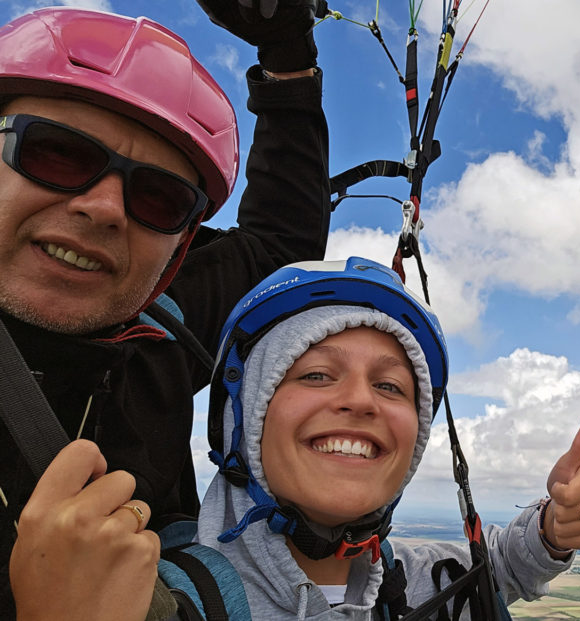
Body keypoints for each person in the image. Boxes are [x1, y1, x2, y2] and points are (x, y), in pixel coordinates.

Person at [1, 2, 332, 618]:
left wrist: (288, 62)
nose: (104, 208)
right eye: (56, 154)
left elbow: (282, 248)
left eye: (157, 196)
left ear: (179, 248)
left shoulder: (158, 324)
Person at [195, 257, 580, 618]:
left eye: (390, 386)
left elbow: (500, 566)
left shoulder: (423, 585)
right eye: (316, 375)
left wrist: (552, 530)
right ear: (243, 418)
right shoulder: (152, 597)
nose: (361, 400)